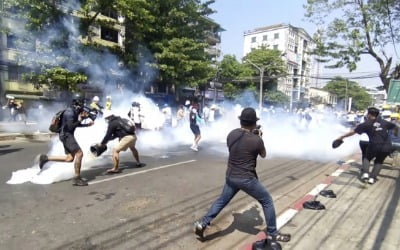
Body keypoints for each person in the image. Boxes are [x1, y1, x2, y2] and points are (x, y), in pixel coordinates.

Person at [193, 107, 291, 243]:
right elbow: (263, 155)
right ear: (253, 123)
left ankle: (202, 223)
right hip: (246, 178)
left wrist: (252, 135)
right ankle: (273, 233)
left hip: (231, 175)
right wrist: (258, 137)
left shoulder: (232, 134)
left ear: (241, 121)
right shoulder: (256, 140)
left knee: (221, 201)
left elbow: (234, 148)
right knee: (267, 201)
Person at [37, 98, 94, 186]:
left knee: (69, 158)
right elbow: (70, 126)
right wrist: (81, 119)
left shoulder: (73, 112)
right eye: (82, 104)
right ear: (77, 104)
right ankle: (77, 178)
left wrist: (86, 124)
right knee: (79, 153)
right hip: (67, 135)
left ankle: (45, 158)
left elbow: (74, 125)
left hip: (66, 135)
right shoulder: (70, 112)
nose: (83, 106)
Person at [335, 107, 398, 184]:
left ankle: (365, 174)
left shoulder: (366, 124)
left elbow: (353, 132)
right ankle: (372, 178)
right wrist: (395, 133)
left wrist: (342, 137)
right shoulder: (384, 122)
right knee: (379, 162)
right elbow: (396, 127)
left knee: (367, 158)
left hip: (374, 145)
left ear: (369, 115)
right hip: (387, 146)